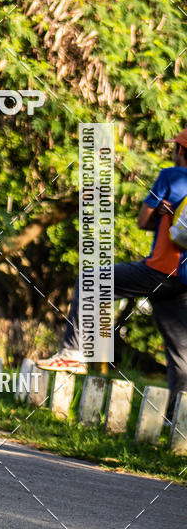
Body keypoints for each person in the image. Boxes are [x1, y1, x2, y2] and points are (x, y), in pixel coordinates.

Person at [38, 130, 187, 416]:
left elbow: (143, 220)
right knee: (180, 354)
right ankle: (176, 421)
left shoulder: (171, 176)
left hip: (159, 269)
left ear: (180, 149)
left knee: (90, 280)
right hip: (183, 279)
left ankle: (73, 353)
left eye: (175, 147)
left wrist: (161, 213)